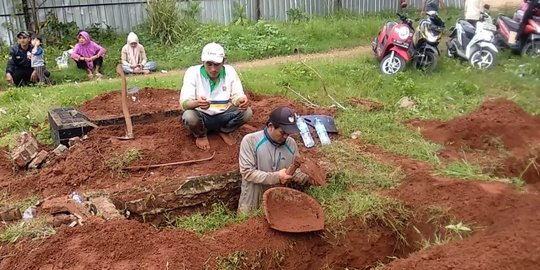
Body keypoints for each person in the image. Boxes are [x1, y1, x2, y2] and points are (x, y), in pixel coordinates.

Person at [237, 106, 310, 214]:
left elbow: (294, 171)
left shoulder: (291, 143)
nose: (286, 136)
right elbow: (247, 172)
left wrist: (306, 177)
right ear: (270, 126)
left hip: (277, 204)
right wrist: (277, 177)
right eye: (282, 132)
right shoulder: (250, 141)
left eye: (288, 133)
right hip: (252, 203)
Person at [179, 42, 252, 150]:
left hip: (223, 114)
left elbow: (237, 96)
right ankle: (201, 134)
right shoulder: (192, 73)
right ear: (203, 62)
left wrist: (241, 101)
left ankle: (223, 130)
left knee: (247, 112)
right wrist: (197, 103)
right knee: (189, 116)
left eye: (217, 64)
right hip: (201, 115)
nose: (213, 69)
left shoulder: (230, 72)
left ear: (223, 62)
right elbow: (184, 103)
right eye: (209, 64)